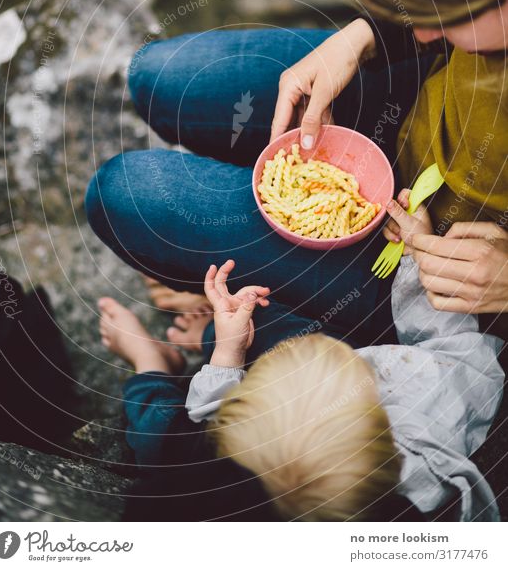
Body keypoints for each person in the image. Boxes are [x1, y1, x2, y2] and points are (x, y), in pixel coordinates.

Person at [85, 0, 508, 338]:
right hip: (414, 107)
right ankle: (234, 268)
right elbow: (426, 18)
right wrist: (366, 35)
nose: (425, 27)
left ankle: (243, 297)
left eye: (448, 10)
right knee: (163, 76)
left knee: (122, 196)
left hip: (429, 279)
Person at [99, 196, 504, 521]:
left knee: (159, 431)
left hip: (198, 449)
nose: (313, 343)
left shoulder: (220, 487)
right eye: (348, 361)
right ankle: (203, 337)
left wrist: (226, 352)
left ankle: (158, 361)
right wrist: (416, 257)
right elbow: (455, 348)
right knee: (246, 332)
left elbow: (205, 422)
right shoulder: (430, 409)